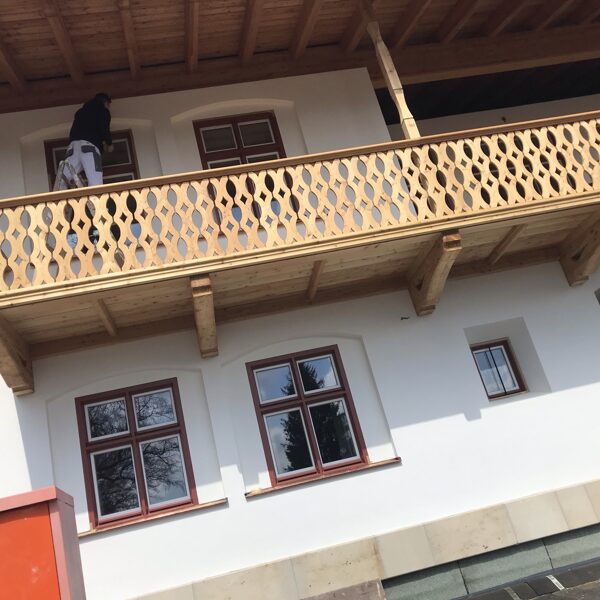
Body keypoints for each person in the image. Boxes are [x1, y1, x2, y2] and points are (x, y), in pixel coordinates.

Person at [57, 92, 114, 190]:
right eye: (108, 105)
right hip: (89, 148)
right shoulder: (103, 111)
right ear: (105, 102)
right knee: (95, 182)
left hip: (73, 148)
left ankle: (59, 197)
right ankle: (96, 199)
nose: (109, 107)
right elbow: (104, 129)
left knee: (62, 180)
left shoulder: (80, 112)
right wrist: (109, 144)